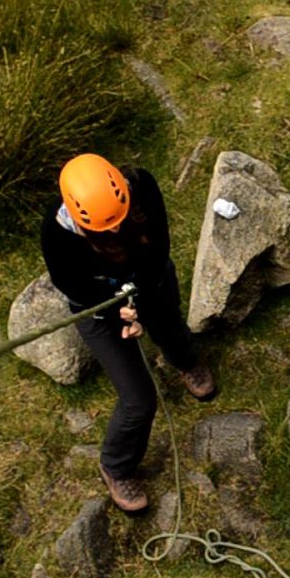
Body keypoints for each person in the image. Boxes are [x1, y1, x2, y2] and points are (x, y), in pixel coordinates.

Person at [41, 153, 217, 513]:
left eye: (119, 221)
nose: (117, 231)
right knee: (139, 399)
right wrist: (118, 311)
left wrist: (141, 295)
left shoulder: (141, 186)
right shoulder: (57, 233)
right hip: (99, 310)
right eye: (105, 229)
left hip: (150, 280)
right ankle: (116, 467)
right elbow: (72, 285)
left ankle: (186, 361)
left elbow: (159, 246)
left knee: (170, 326)